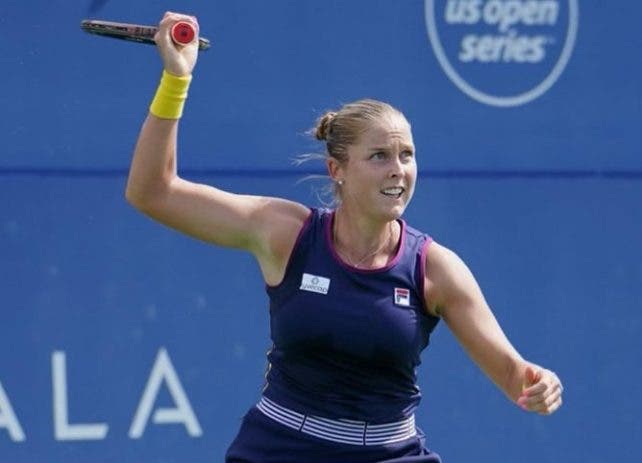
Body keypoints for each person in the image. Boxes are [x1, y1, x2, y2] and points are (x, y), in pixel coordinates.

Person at [126, 11, 564, 463]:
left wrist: (537, 383)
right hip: (282, 451)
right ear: (337, 170)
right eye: (379, 155)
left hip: (391, 454)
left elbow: (516, 375)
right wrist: (176, 79)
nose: (398, 169)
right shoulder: (285, 233)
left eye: (407, 155)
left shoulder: (435, 269)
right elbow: (152, 191)